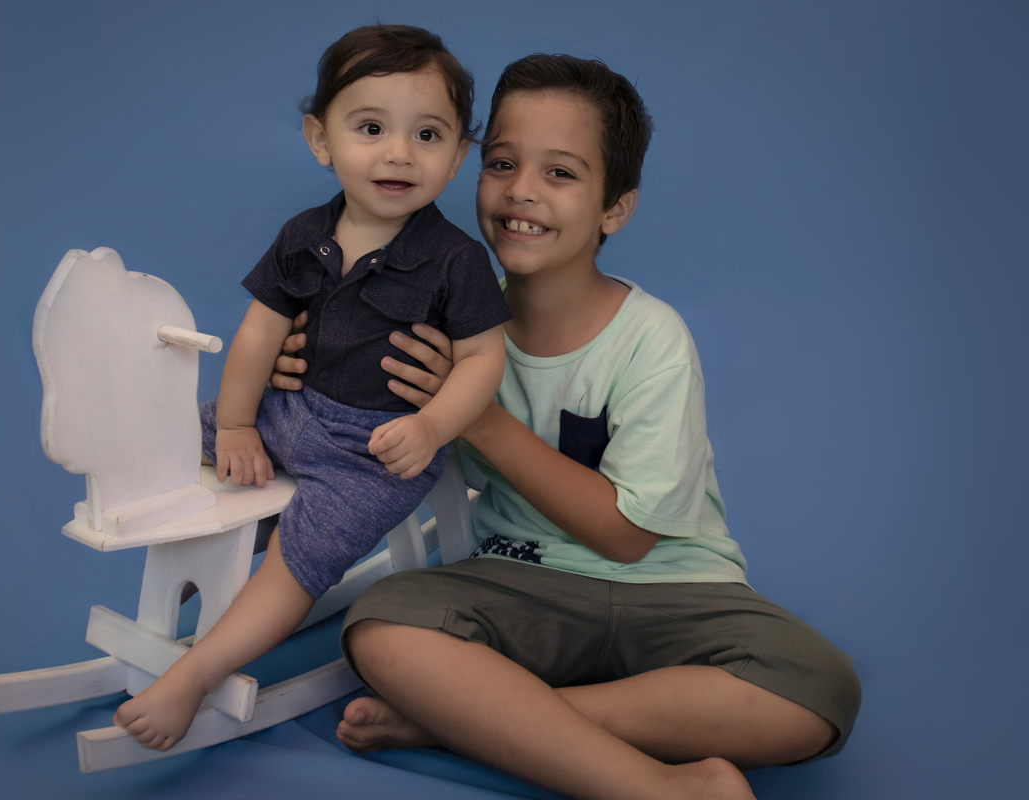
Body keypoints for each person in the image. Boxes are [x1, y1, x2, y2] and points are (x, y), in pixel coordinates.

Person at [273, 54, 861, 800]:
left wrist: (480, 419)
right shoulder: (440, 322)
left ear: (615, 208)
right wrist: (303, 370)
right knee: (382, 628)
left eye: (560, 173)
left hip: (674, 590)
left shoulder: (652, 337)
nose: (522, 190)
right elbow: (356, 426)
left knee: (817, 688)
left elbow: (627, 537)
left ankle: (472, 721)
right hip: (519, 581)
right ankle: (661, 788)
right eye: (502, 163)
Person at [112, 24, 510, 752]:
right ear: (321, 139)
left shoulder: (456, 260)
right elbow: (258, 335)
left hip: (374, 451)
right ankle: (193, 567)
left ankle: (198, 672)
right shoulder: (303, 235)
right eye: (371, 128)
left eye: (427, 135)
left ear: (457, 157)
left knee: (306, 556)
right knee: (171, 434)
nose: (399, 153)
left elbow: (484, 358)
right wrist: (238, 423)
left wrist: (432, 428)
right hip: (283, 411)